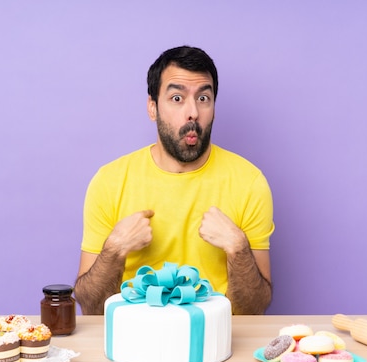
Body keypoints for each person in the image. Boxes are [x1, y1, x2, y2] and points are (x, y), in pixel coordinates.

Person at [74, 46, 274, 315]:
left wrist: (238, 249)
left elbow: (254, 311)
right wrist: (114, 250)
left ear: (214, 108)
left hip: (215, 342)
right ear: (153, 108)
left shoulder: (249, 183)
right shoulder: (109, 182)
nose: (192, 112)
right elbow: (91, 308)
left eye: (203, 98)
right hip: (134, 340)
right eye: (177, 98)